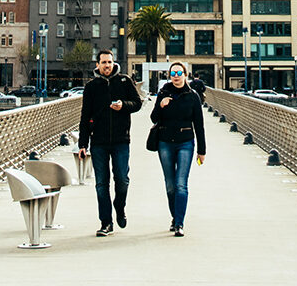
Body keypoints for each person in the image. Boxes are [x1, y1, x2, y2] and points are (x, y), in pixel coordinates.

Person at [76, 49, 142, 236]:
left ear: (114, 63)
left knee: (122, 179)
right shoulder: (91, 87)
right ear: (97, 65)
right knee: (101, 184)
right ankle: (106, 222)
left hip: (121, 140)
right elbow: (85, 116)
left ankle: (119, 207)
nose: (107, 65)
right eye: (103, 62)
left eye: (109, 62)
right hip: (99, 142)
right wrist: (83, 144)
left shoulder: (124, 81)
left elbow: (137, 103)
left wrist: (123, 106)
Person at [148, 62, 207, 236]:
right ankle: (175, 217)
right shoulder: (163, 93)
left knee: (181, 184)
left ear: (185, 75)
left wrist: (201, 151)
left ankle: (179, 223)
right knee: (170, 185)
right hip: (165, 142)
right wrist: (161, 105)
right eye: (173, 72)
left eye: (179, 72)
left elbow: (199, 125)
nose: (176, 75)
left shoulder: (193, 96)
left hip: (185, 143)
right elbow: (153, 118)